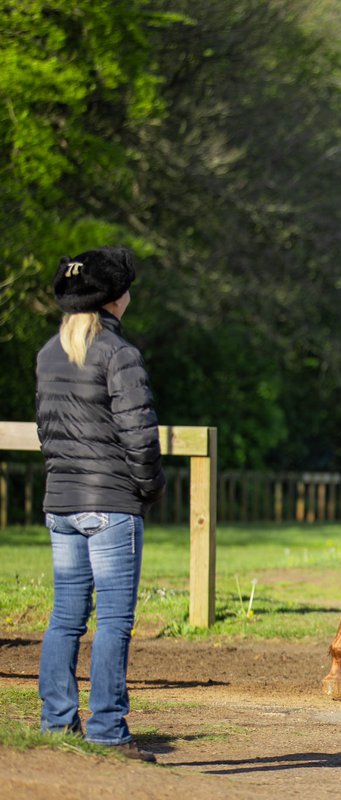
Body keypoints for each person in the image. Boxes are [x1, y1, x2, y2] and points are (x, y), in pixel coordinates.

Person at [35, 246, 165, 763]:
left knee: (65, 617)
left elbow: (50, 432)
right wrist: (149, 488)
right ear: (116, 299)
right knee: (113, 620)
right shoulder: (119, 355)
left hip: (60, 503)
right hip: (111, 504)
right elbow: (140, 435)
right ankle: (108, 729)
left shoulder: (49, 353)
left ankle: (56, 722)